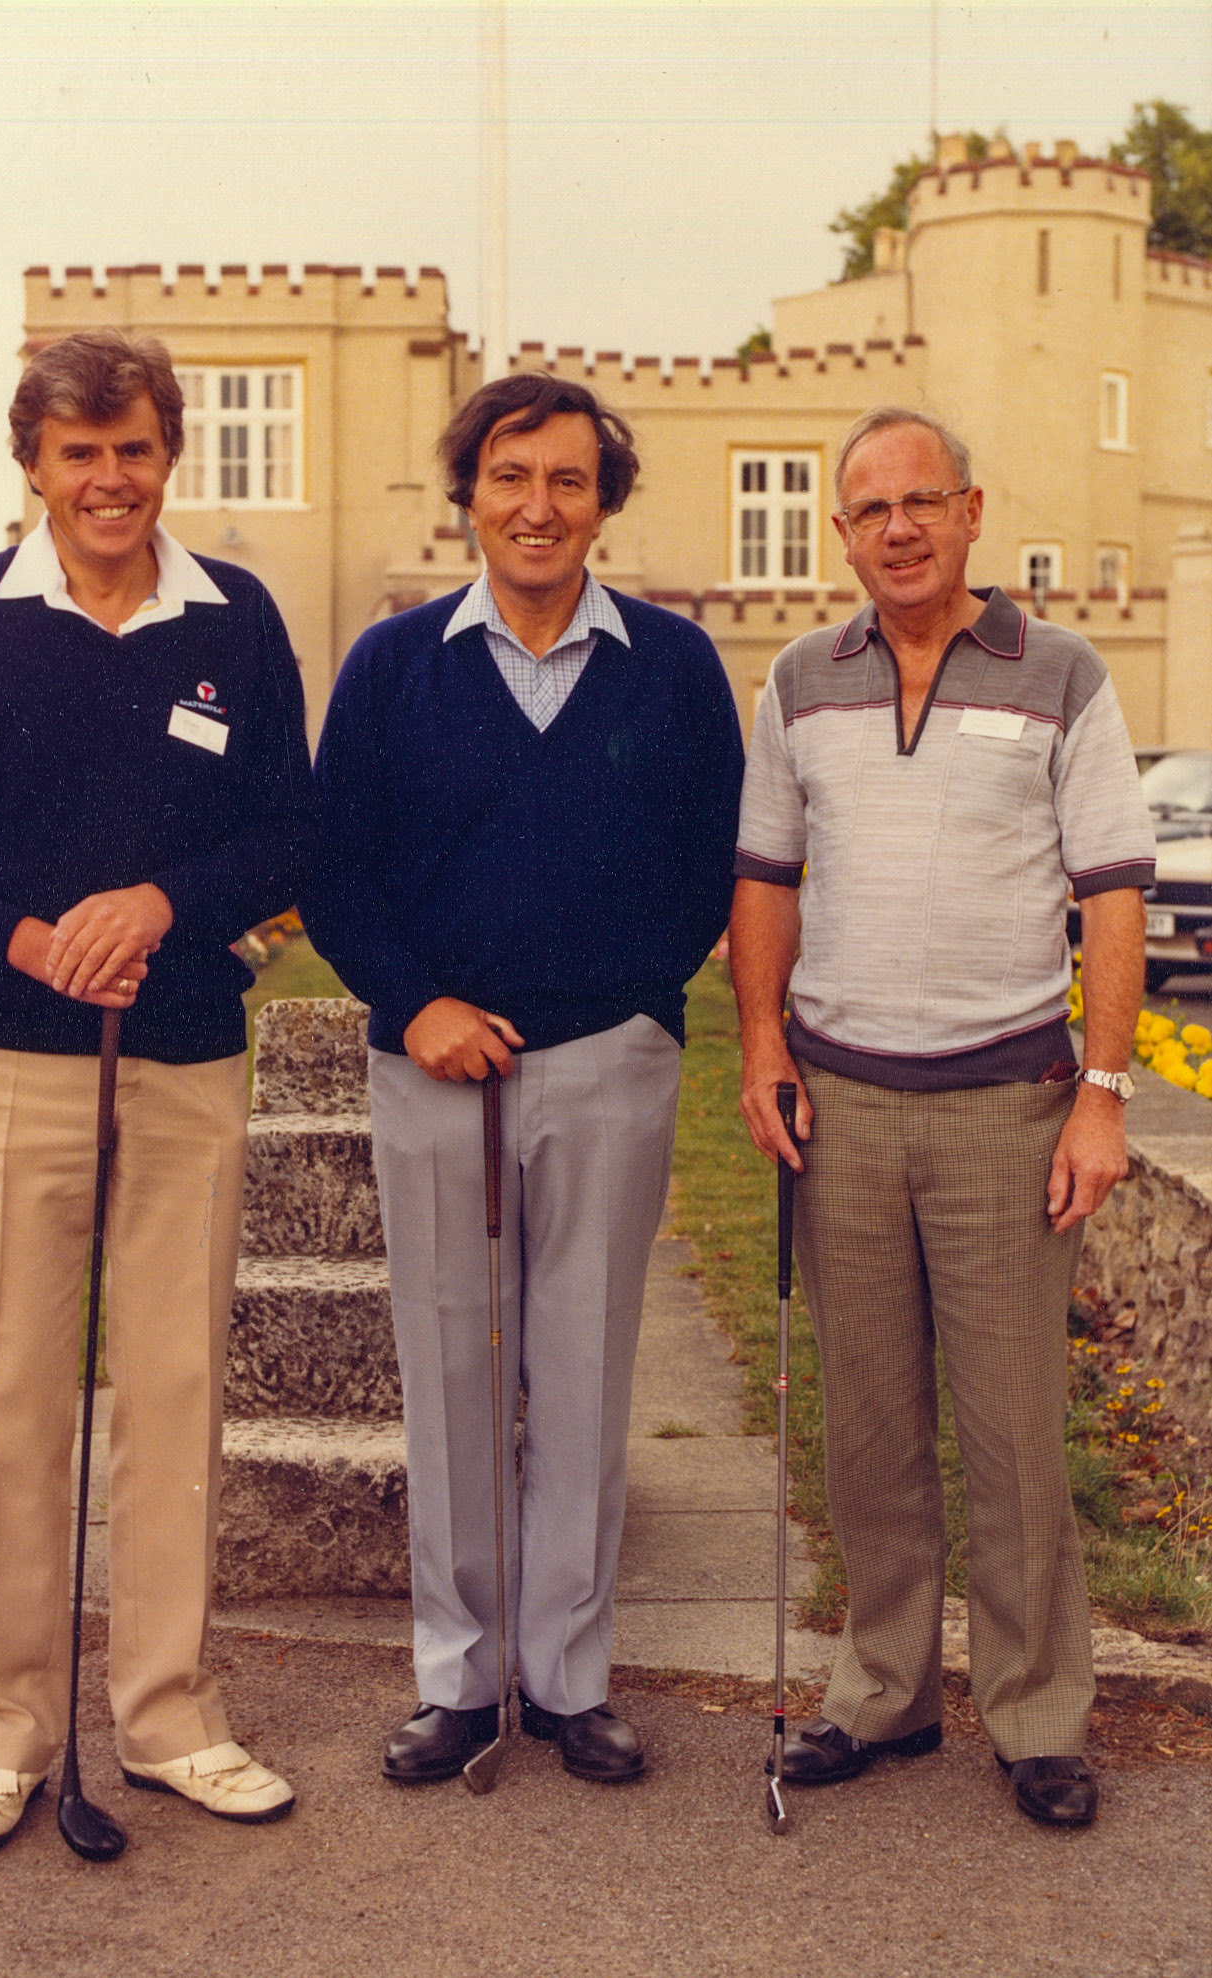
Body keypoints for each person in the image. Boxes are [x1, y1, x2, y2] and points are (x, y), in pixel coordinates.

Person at [0, 330, 317, 1854]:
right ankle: (1, 1730)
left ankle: (171, 1713)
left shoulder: (232, 618)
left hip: (181, 1052)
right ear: (33, 466)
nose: (108, 480)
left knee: (174, 1385)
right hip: (6, 1054)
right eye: (78, 454)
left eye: (132, 450)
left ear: (167, 454)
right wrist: (37, 936)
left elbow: (280, 832)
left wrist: (160, 904)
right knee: (7, 1403)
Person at [302, 373, 742, 1784]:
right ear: (468, 497)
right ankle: (457, 1676)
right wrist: (416, 1000)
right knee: (447, 1371)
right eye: (509, 476)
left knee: (584, 1364)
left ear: (603, 500)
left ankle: (565, 1679)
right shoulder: (390, 664)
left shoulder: (671, 667)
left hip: (608, 1061)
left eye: (566, 479)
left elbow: (702, 869)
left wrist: (619, 1013)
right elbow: (336, 870)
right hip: (435, 1069)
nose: (536, 504)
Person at [731, 406, 1154, 1827]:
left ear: (971, 512)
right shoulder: (797, 679)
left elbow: (1108, 893)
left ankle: (1036, 1714)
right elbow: (766, 880)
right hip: (842, 1103)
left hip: (1008, 1106)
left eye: (923, 501)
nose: (897, 528)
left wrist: (1101, 1096)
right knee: (867, 1429)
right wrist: (756, 1043)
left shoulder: (1063, 673)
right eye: (869, 510)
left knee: (1014, 1432)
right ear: (838, 534)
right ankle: (883, 1693)